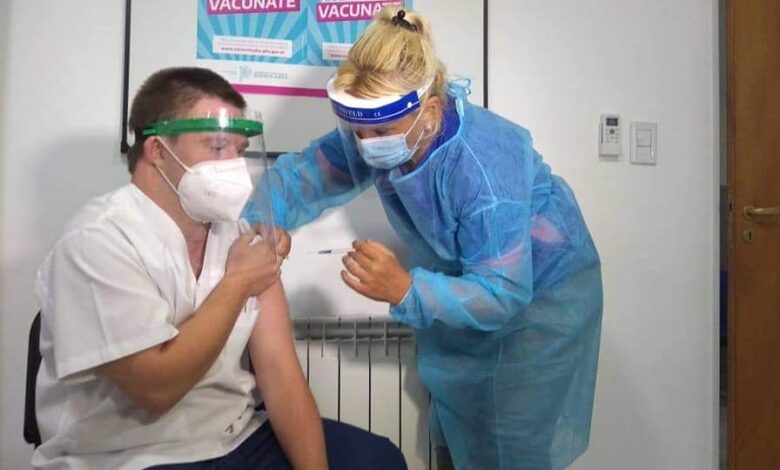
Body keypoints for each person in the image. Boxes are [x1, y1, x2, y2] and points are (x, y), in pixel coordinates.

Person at [242, 7, 603, 470]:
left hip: (537, 310)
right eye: (359, 131)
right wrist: (264, 221)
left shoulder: (484, 168)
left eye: (381, 132)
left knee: (511, 446)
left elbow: (506, 291)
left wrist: (406, 289)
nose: (367, 145)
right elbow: (306, 175)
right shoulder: (382, 131)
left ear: (430, 112)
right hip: (465, 287)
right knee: (461, 430)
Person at [32, 66, 407, 470]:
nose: (234, 166)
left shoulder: (238, 234)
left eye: (239, 150)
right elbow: (158, 390)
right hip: (125, 454)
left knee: (378, 459)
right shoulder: (97, 241)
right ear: (158, 151)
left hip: (233, 436)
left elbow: (280, 374)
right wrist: (239, 282)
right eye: (216, 148)